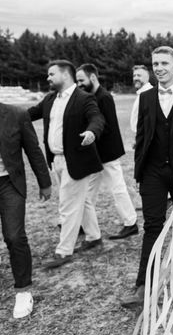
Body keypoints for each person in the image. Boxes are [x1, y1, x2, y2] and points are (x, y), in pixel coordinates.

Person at [120, 46, 173, 308]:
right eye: (155, 63)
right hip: (153, 171)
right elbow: (141, 138)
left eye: (164, 63)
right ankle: (143, 286)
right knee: (152, 226)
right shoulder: (145, 98)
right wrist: (138, 172)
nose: (158, 68)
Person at [28, 60, 105, 268]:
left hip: (77, 161)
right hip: (56, 160)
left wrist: (91, 132)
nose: (48, 78)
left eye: (51, 74)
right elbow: (28, 114)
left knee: (68, 205)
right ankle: (94, 236)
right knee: (84, 201)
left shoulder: (84, 98)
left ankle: (64, 251)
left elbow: (97, 118)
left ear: (65, 75)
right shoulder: (50, 99)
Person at [0, 102, 52, 318]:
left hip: (9, 183)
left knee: (14, 236)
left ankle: (23, 290)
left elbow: (33, 149)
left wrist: (44, 181)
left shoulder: (16, 114)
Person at [76, 64, 139, 240]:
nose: (79, 84)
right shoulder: (92, 96)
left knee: (117, 188)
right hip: (96, 153)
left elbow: (108, 126)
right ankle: (84, 223)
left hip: (107, 152)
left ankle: (131, 223)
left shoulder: (103, 97)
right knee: (89, 191)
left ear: (93, 78)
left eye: (82, 80)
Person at [129, 64, 154, 135]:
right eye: (134, 76)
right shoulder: (141, 94)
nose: (136, 78)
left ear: (147, 78)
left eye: (139, 75)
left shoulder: (150, 94)